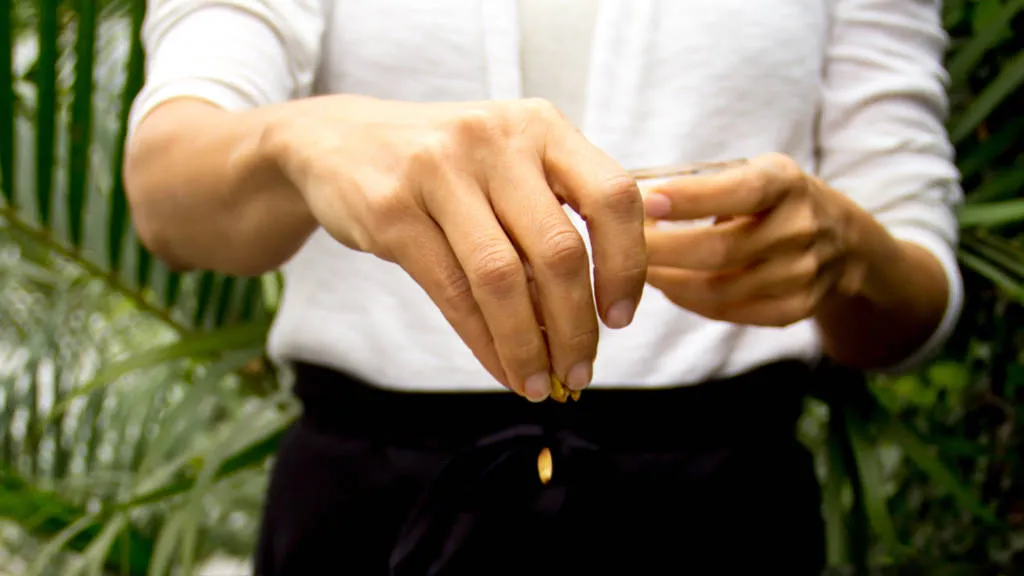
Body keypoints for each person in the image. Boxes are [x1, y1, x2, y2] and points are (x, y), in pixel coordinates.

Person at [123, 0, 963, 573]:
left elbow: (915, 293)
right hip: (374, 518)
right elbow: (169, 191)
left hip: (717, 515)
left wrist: (847, 253)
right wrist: (301, 142)